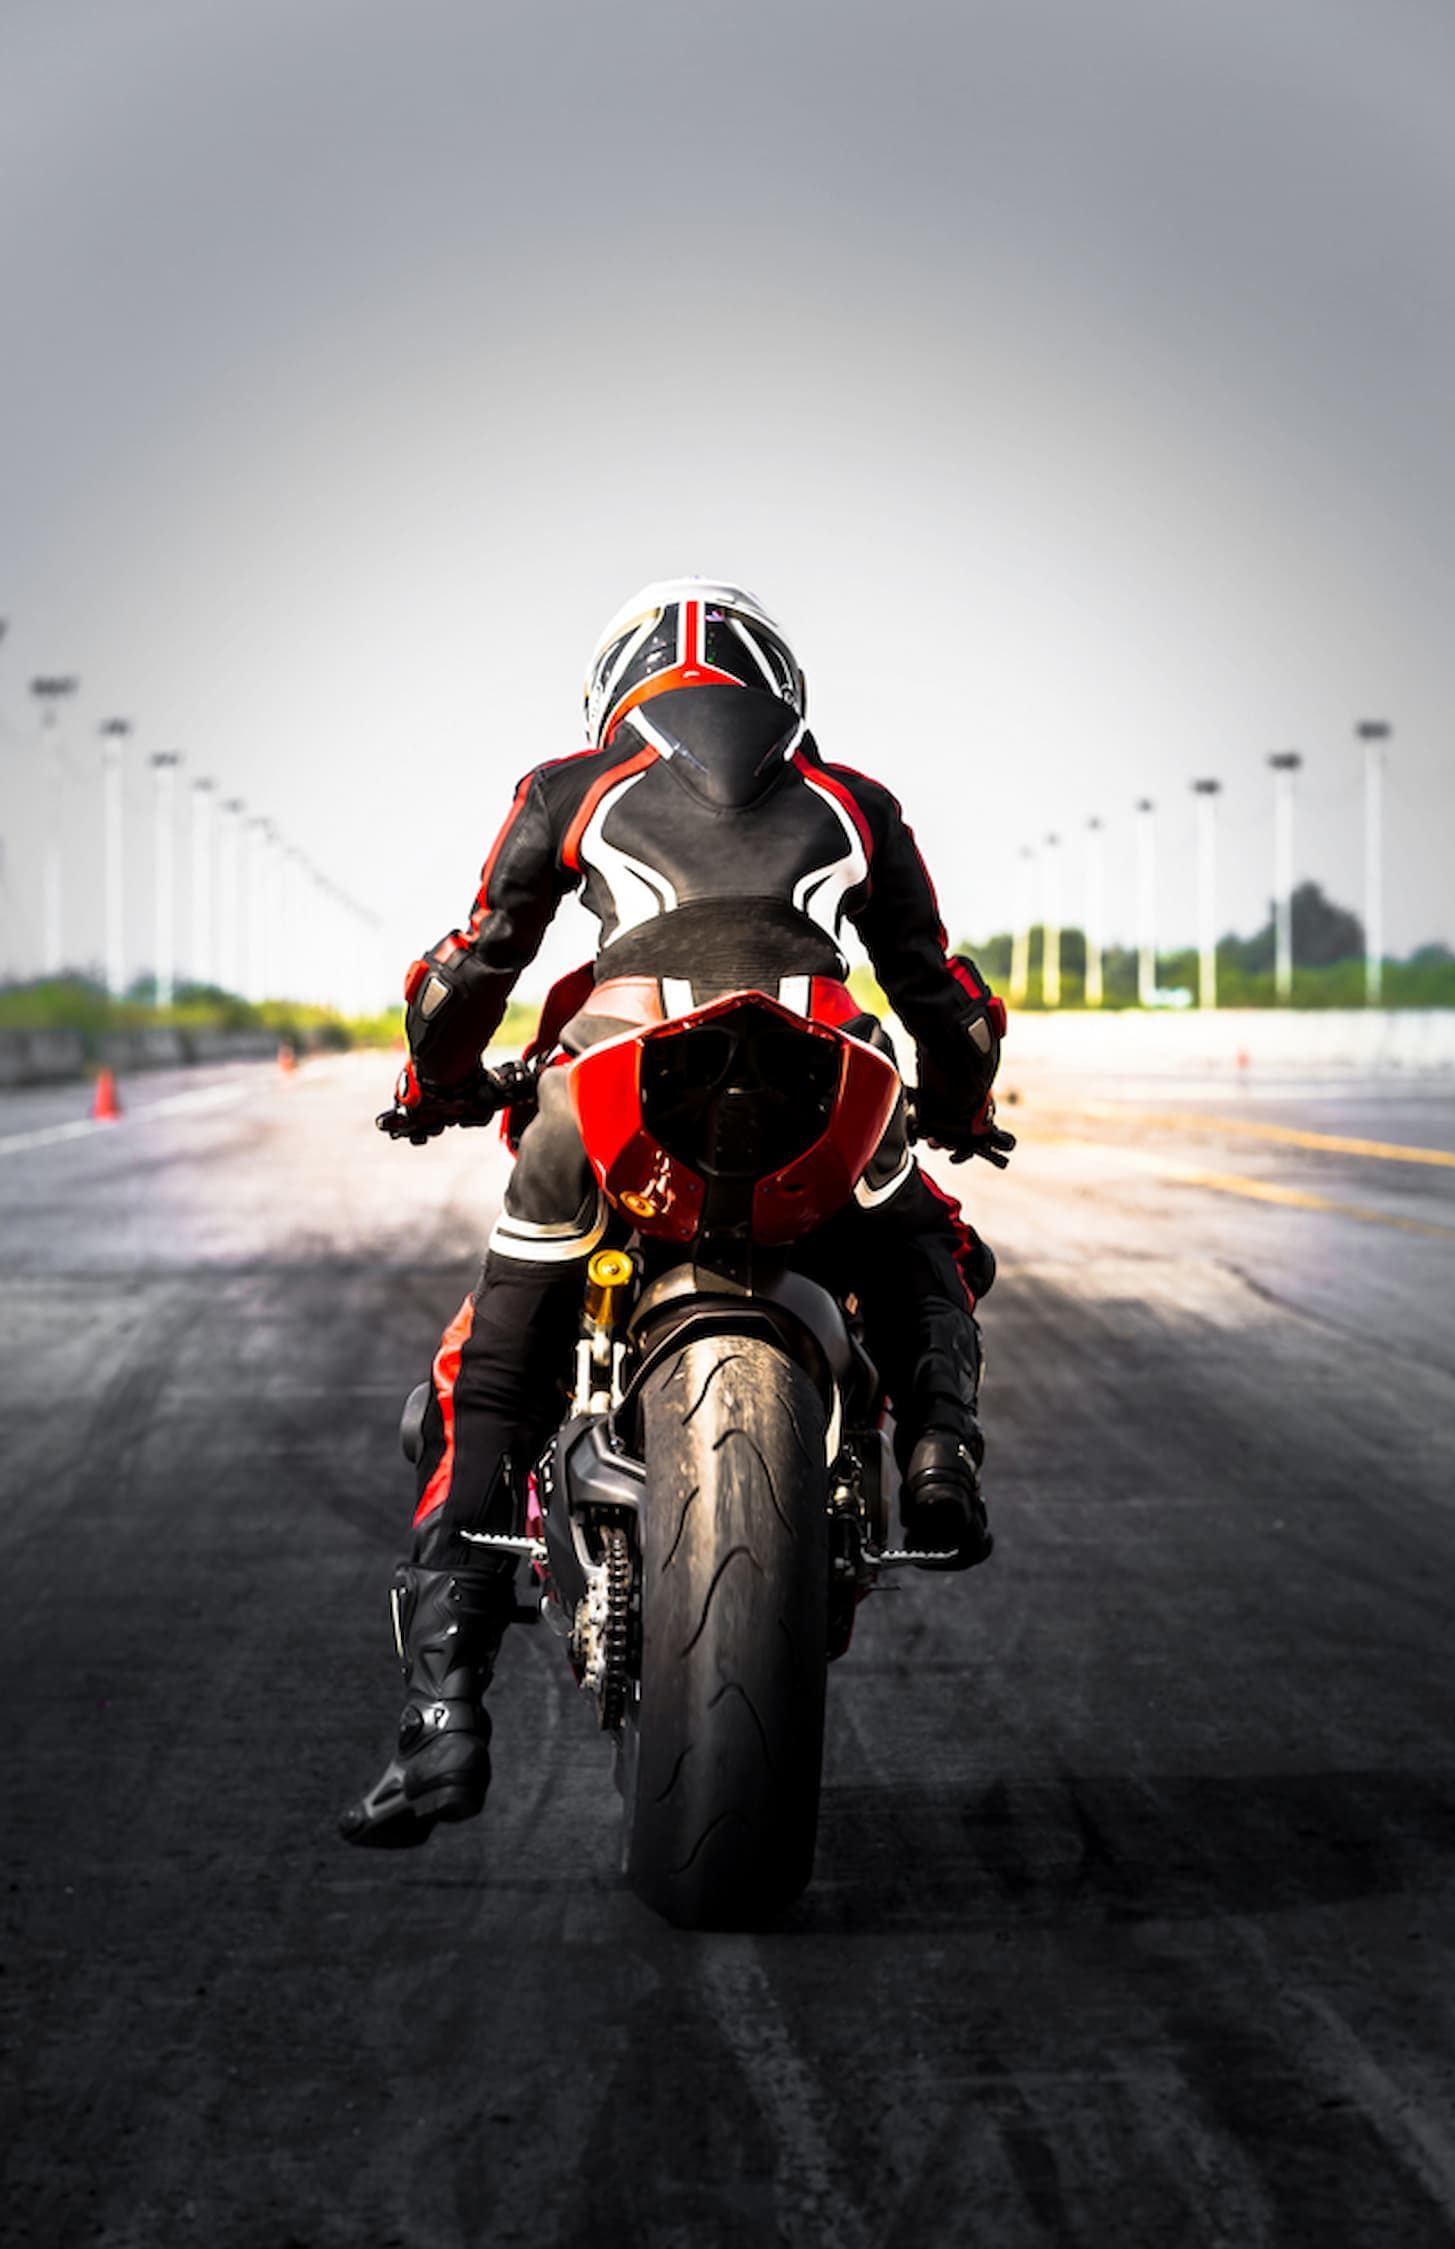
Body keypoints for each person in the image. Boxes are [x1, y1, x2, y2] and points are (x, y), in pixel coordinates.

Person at [340, 579, 1004, 1848]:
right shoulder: (854, 798)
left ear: (616, 684)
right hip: (823, 1067)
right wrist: (965, 1106)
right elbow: (942, 996)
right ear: (779, 685)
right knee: (924, 1235)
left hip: (610, 1082)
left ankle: (442, 1715)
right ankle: (939, 1452)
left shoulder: (572, 785)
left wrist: (430, 1085)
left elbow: (475, 961)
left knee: (488, 1378)